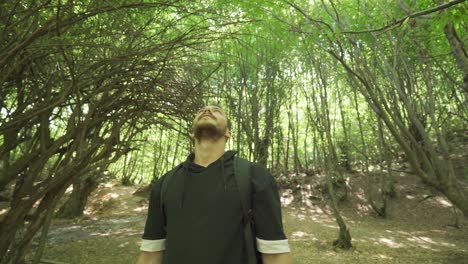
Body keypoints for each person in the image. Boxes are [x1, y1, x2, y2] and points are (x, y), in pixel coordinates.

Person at [136, 105, 292, 264]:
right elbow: (150, 253)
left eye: (216, 111)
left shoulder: (255, 176)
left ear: (228, 133)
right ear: (192, 133)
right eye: (200, 110)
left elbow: (274, 254)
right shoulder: (165, 184)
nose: (207, 111)